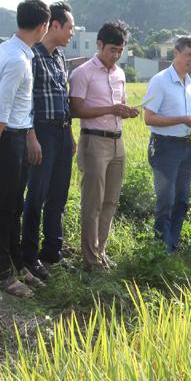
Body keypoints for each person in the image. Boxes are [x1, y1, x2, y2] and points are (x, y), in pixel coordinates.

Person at [0, 0, 50, 298]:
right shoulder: (18, 59)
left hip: (12, 138)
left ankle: (18, 264)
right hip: (7, 141)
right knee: (4, 209)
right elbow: (1, 109)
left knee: (14, 206)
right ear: (43, 26)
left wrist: (4, 135)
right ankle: (2, 274)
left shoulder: (9, 49)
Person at [68, 20, 140, 271]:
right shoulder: (82, 73)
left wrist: (127, 111)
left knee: (110, 201)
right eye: (112, 50)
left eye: (120, 51)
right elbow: (75, 109)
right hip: (94, 141)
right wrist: (111, 108)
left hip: (117, 142)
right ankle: (90, 259)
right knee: (93, 202)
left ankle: (100, 251)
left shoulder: (119, 74)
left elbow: (120, 102)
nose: (116, 55)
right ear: (99, 45)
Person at [19, 1, 76, 278]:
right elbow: (26, 101)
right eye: (70, 28)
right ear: (54, 25)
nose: (72, 34)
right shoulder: (33, 56)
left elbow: (63, 98)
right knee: (37, 195)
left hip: (63, 131)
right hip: (42, 132)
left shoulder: (59, 57)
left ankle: (52, 250)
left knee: (59, 195)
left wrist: (70, 135)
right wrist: (32, 137)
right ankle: (29, 258)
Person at [142, 35, 191, 253]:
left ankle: (172, 244)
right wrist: (183, 119)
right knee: (166, 200)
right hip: (165, 146)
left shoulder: (189, 82)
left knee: (183, 199)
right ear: (176, 53)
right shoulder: (160, 81)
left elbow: (190, 115)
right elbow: (149, 118)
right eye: (188, 55)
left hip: (185, 146)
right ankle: (161, 248)